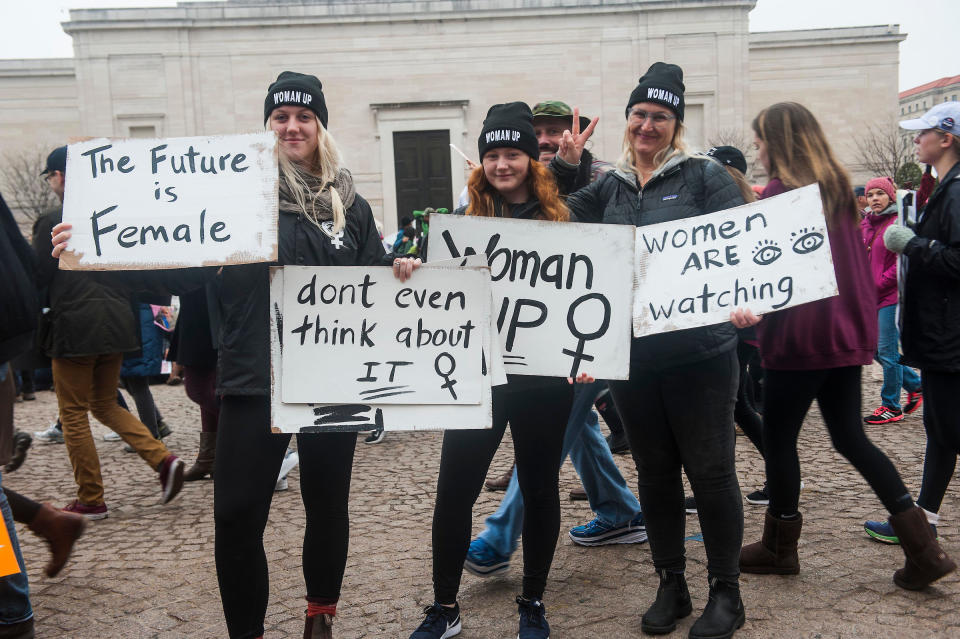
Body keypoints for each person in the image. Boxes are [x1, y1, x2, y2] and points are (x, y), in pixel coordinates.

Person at [53, 71, 389, 639]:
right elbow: (176, 264)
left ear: (320, 125)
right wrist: (94, 250)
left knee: (327, 504)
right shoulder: (236, 197)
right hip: (253, 375)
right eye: (280, 117)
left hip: (331, 378)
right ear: (267, 126)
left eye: (304, 116)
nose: (292, 126)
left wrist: (400, 273)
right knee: (235, 514)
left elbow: (375, 280)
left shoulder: (349, 205)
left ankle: (320, 616)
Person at [554, 62, 747, 639]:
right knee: (657, 474)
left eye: (659, 116)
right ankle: (671, 583)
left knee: (711, 473)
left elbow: (740, 246)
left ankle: (726, 592)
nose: (647, 125)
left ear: (675, 124)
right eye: (639, 114)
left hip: (703, 353)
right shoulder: (610, 185)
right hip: (634, 357)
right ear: (628, 120)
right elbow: (560, 220)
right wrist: (565, 167)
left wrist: (744, 300)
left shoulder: (705, 177)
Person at [733, 101, 955, 592]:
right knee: (851, 438)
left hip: (801, 337)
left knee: (779, 438)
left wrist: (753, 307)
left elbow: (774, 270)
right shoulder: (834, 189)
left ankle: (779, 545)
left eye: (762, 140)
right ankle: (924, 548)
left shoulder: (783, 193)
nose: (758, 149)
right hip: (844, 335)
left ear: (780, 143)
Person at [407, 102, 578, 639]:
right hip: (477, 376)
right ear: (480, 162)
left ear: (532, 158)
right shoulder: (463, 224)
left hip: (545, 378)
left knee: (541, 485)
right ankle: (444, 605)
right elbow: (431, 290)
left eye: (513, 153)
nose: (502, 164)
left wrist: (588, 354)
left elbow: (590, 289)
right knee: (454, 489)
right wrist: (410, 265)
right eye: (492, 155)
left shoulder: (564, 217)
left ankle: (533, 599)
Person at [466, 99, 645, 580]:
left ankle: (500, 537)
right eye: (538, 132)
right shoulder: (507, 186)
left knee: (557, 426)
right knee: (578, 425)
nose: (547, 139)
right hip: (532, 340)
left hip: (585, 335)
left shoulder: (601, 177)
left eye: (554, 131)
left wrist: (570, 167)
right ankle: (619, 509)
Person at [34, 145, 184, 520]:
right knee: (101, 403)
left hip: (74, 326)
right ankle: (163, 461)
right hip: (117, 322)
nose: (51, 182)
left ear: (62, 177)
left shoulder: (52, 218)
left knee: (72, 411)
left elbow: (38, 277)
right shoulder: (116, 216)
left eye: (51, 176)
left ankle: (90, 497)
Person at [863, 102, 960, 555]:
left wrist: (914, 244)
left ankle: (924, 524)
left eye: (923, 133)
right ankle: (925, 520)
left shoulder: (957, 190)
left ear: (947, 137)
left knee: (947, 429)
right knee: (942, 430)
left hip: (951, 334)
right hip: (941, 332)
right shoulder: (943, 187)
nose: (915, 139)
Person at [860, 176, 923, 426]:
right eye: (871, 194)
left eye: (880, 194)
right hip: (869, 298)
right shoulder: (866, 224)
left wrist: (873, 285)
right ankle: (916, 385)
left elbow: (899, 265)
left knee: (886, 351)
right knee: (872, 348)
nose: (875, 199)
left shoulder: (898, 223)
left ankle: (891, 406)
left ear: (890, 196)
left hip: (889, 297)